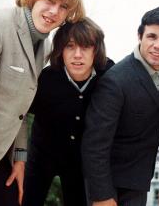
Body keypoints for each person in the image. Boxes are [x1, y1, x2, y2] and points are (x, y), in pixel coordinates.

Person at [0, 0, 85, 205]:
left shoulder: (45, 46)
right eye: (49, 0)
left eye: (63, 6)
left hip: (3, 154)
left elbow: (21, 109)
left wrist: (20, 159)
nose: (54, 11)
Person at [81, 6, 159, 206]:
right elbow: (94, 144)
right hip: (109, 182)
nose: (157, 45)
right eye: (151, 36)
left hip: (138, 181)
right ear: (140, 35)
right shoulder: (115, 81)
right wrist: (101, 195)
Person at [22, 17, 114, 206]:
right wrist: (19, 158)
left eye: (85, 47)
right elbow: (19, 117)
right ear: (60, 50)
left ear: (96, 50)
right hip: (42, 155)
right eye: (70, 46)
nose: (77, 55)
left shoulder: (109, 75)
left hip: (81, 161)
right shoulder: (45, 79)